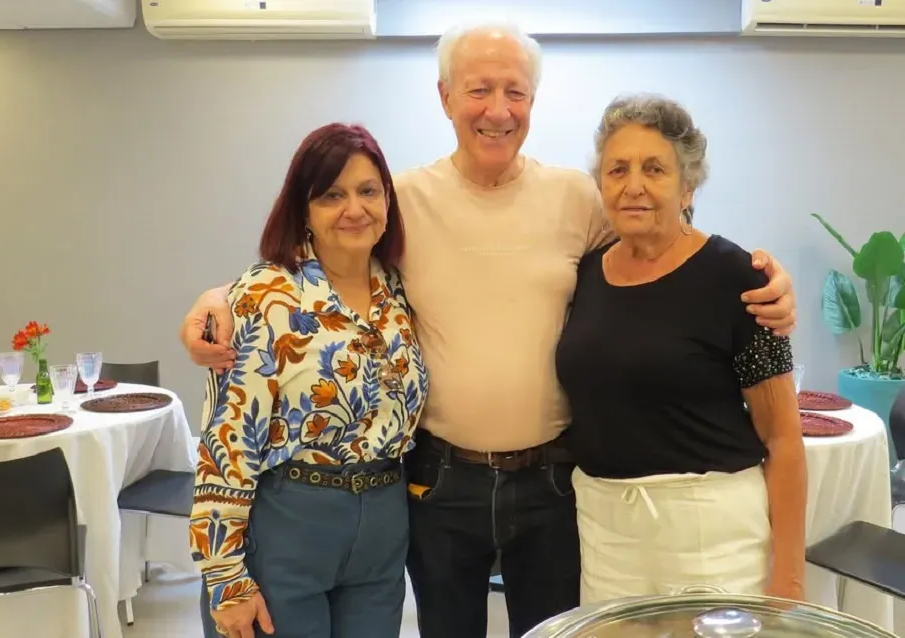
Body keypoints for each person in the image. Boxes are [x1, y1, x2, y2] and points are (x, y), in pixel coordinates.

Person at [180, 22, 798, 638]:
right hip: (440, 482)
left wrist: (765, 276)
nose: (497, 110)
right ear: (446, 97)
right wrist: (219, 300)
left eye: (514, 92)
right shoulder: (401, 200)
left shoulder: (578, 197)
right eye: (479, 90)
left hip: (554, 483)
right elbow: (321, 263)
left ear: (532, 101)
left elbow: (661, 249)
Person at [555, 94, 807, 603]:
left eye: (654, 169)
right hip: (606, 534)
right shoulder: (587, 274)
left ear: (687, 186)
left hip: (711, 535)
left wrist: (790, 579)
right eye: (617, 170)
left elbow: (783, 438)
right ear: (601, 184)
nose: (633, 185)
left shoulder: (738, 277)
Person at [189, 122, 429, 638]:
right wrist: (224, 576)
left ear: (388, 201)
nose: (354, 209)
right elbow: (227, 440)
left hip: (384, 521)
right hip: (290, 519)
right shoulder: (266, 296)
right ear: (303, 210)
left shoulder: (398, 291)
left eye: (368, 191)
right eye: (332, 195)